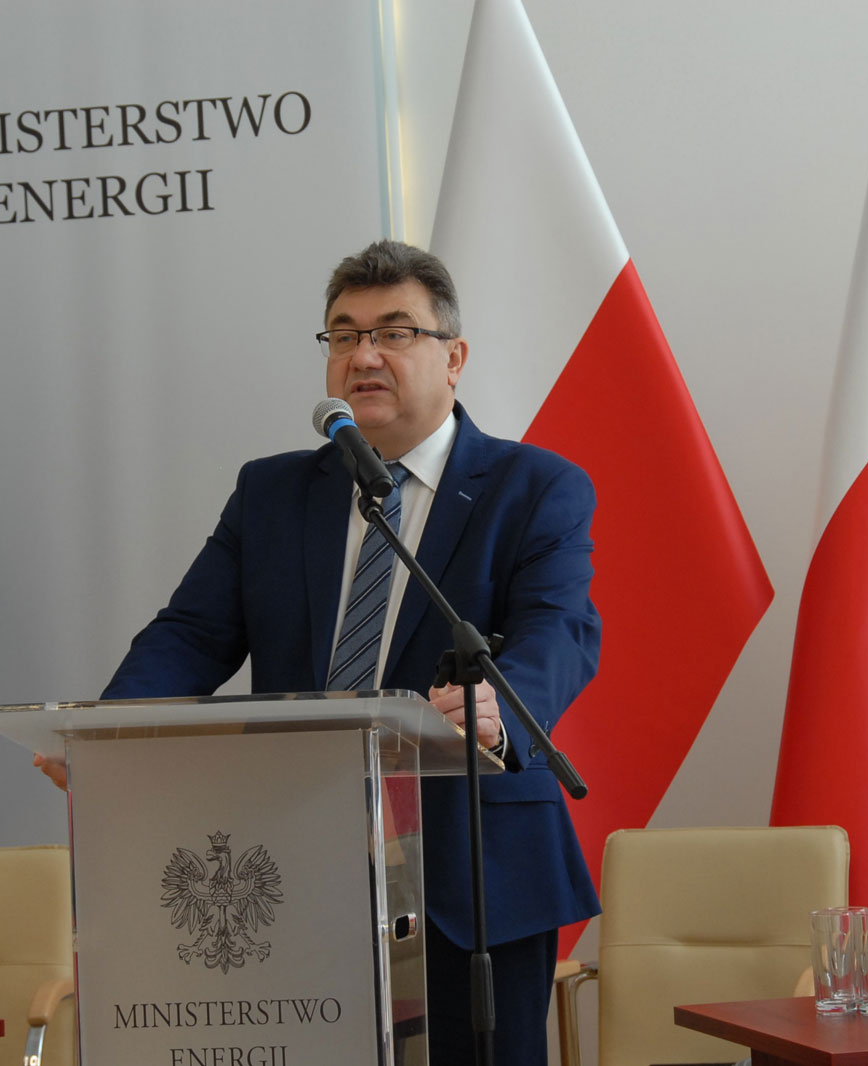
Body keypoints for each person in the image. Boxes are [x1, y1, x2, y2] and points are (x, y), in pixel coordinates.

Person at [36, 239, 601, 1065]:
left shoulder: (534, 487)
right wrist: (112, 733)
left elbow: (562, 627)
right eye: (343, 335)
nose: (363, 356)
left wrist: (502, 707)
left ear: (454, 358)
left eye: (394, 332)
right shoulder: (272, 493)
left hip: (474, 875)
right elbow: (192, 634)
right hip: (295, 864)